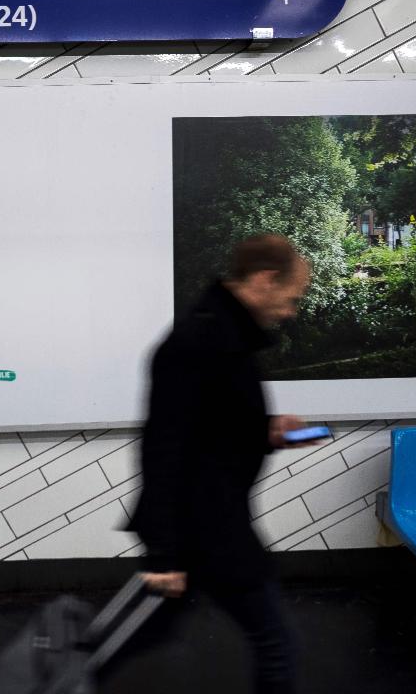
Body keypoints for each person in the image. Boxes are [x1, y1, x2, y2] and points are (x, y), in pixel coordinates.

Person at [125, 234, 316, 694]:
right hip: (207, 530)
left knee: (132, 636)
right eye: (291, 298)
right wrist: (164, 555)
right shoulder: (200, 340)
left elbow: (210, 428)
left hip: (207, 524)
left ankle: (53, 680)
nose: (290, 312)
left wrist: (266, 429)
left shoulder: (224, 335)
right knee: (276, 643)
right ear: (266, 279)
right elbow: (164, 448)